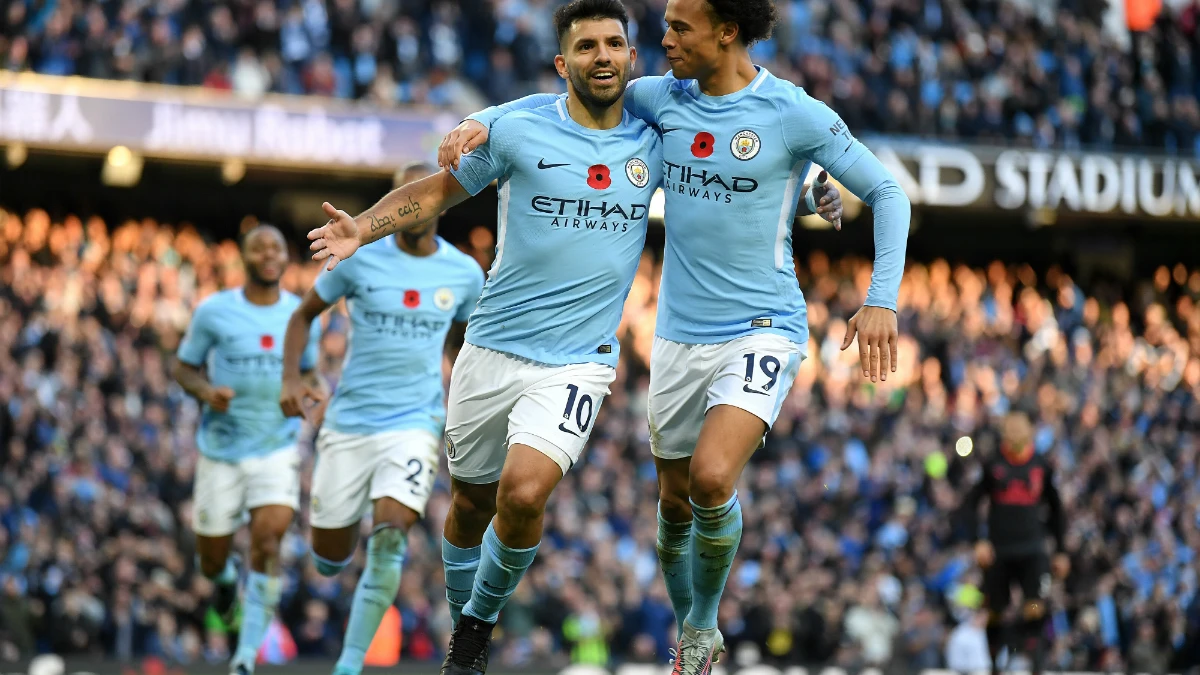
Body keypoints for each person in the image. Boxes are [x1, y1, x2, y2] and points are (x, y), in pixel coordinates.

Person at [437, 0, 906, 670]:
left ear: (727, 31)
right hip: (679, 335)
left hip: (763, 324)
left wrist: (881, 297)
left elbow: (889, 192)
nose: (662, 41)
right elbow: (554, 100)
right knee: (674, 502)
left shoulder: (793, 111)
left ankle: (700, 627)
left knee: (712, 478)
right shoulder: (660, 96)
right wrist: (476, 121)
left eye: (679, 27)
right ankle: (688, 625)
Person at [306, 3, 667, 673]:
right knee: (469, 502)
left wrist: (817, 188)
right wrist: (363, 226)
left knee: (524, 493)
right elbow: (436, 195)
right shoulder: (519, 131)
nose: (603, 55)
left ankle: (476, 625)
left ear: (632, 56)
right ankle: (459, 624)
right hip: (492, 348)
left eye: (615, 42)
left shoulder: (657, 137)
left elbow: (740, 159)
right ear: (564, 64)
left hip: (577, 363)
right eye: (586, 45)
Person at [279, 162, 485, 675]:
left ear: (440, 200)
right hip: (348, 423)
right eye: (402, 194)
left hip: (414, 423)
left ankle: (349, 665)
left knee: (391, 537)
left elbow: (465, 345)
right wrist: (295, 377)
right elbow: (303, 315)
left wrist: (475, 395)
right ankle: (335, 553)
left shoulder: (463, 273)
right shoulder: (359, 258)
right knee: (328, 559)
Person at [172, 224, 322, 675]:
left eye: (276, 247)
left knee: (268, 542)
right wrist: (204, 391)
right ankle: (223, 585)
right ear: (244, 257)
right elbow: (183, 368)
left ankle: (244, 657)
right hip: (221, 452)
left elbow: (309, 374)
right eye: (259, 248)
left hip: (276, 449)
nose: (268, 255)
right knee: (212, 557)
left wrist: (314, 393)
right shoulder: (215, 311)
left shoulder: (299, 315)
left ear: (284, 257)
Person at [960, 411, 1070, 675]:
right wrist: (977, 541)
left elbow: (1057, 510)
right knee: (995, 608)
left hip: (1032, 549)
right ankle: (995, 663)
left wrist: (1061, 550)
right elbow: (971, 503)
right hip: (998, 551)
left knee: (1034, 605)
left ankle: (1034, 661)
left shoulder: (1042, 465)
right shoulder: (993, 464)